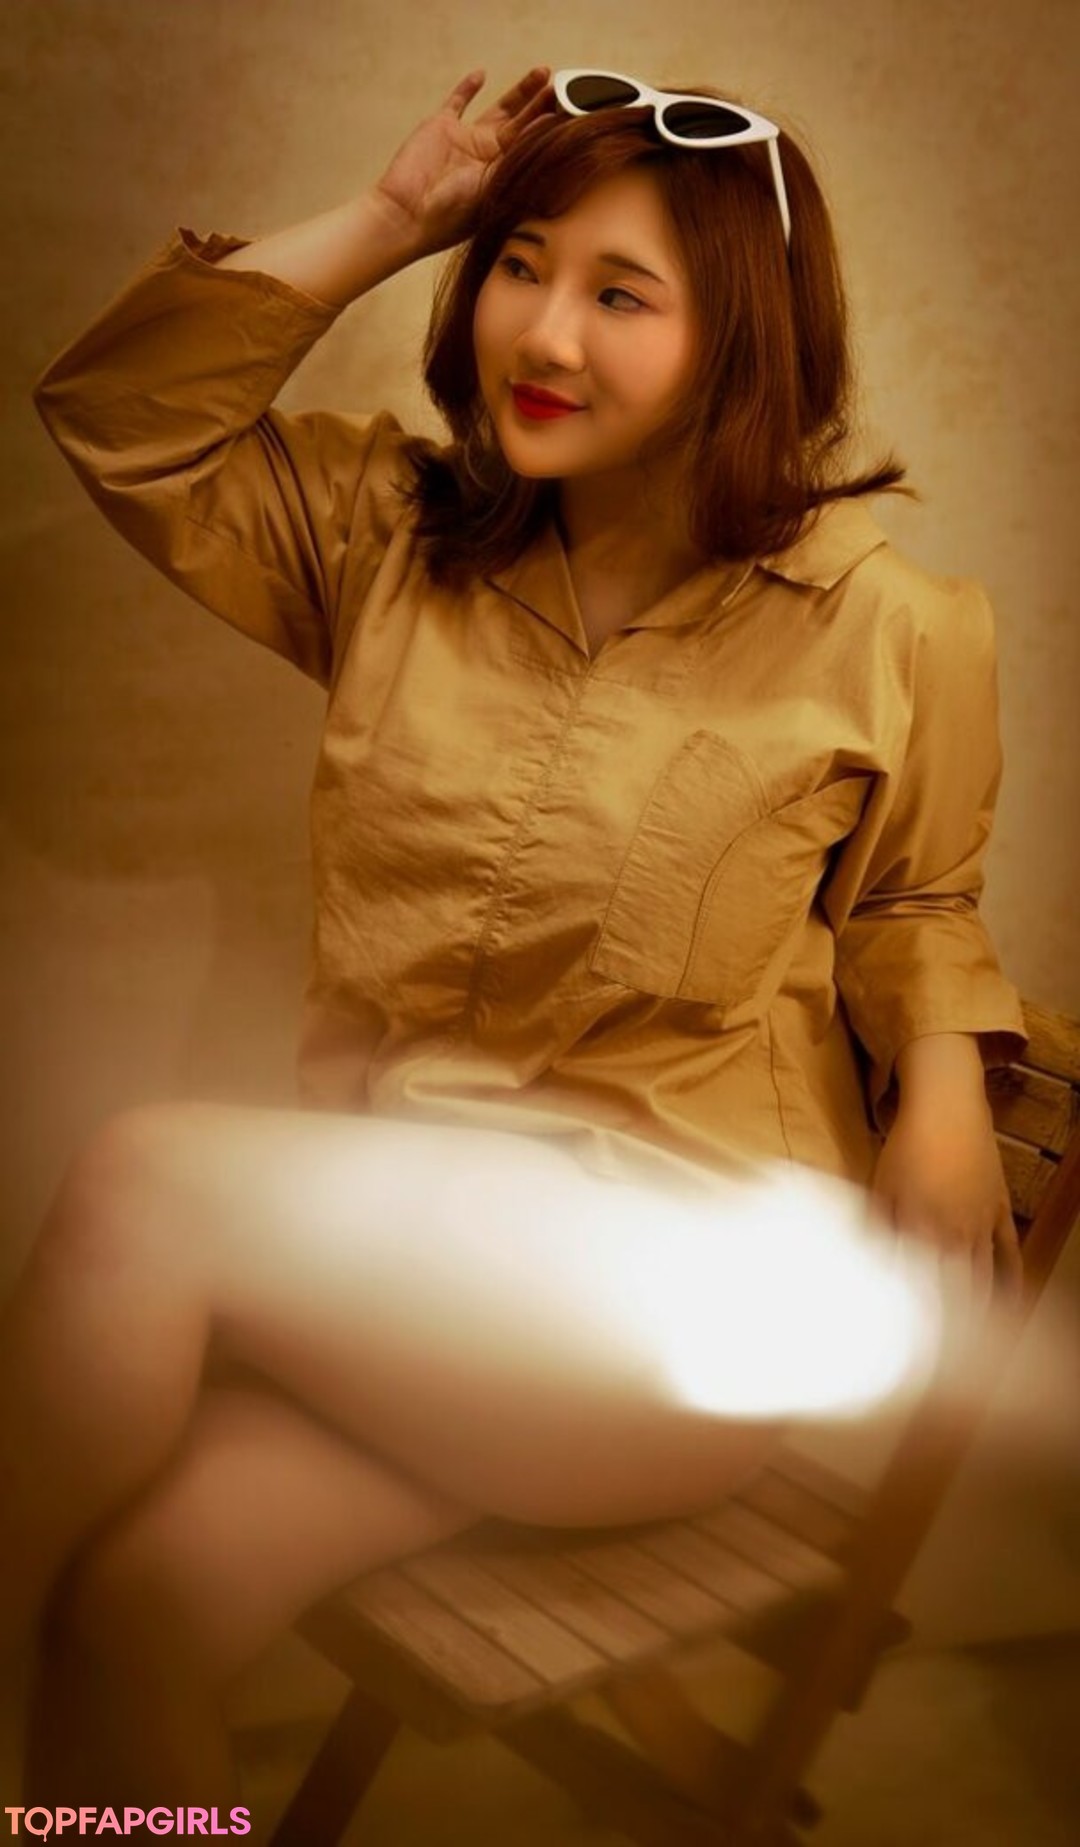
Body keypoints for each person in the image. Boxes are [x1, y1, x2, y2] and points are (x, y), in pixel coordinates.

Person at [5, 64, 1026, 1811]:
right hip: (427, 1287)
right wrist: (396, 219)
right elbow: (122, 418)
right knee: (137, 1610)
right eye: (520, 266)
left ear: (742, 340)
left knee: (144, 1182)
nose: (543, 334)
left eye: (622, 295)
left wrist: (940, 1087)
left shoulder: (888, 623)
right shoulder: (388, 543)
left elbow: (917, 895)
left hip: (675, 1308)